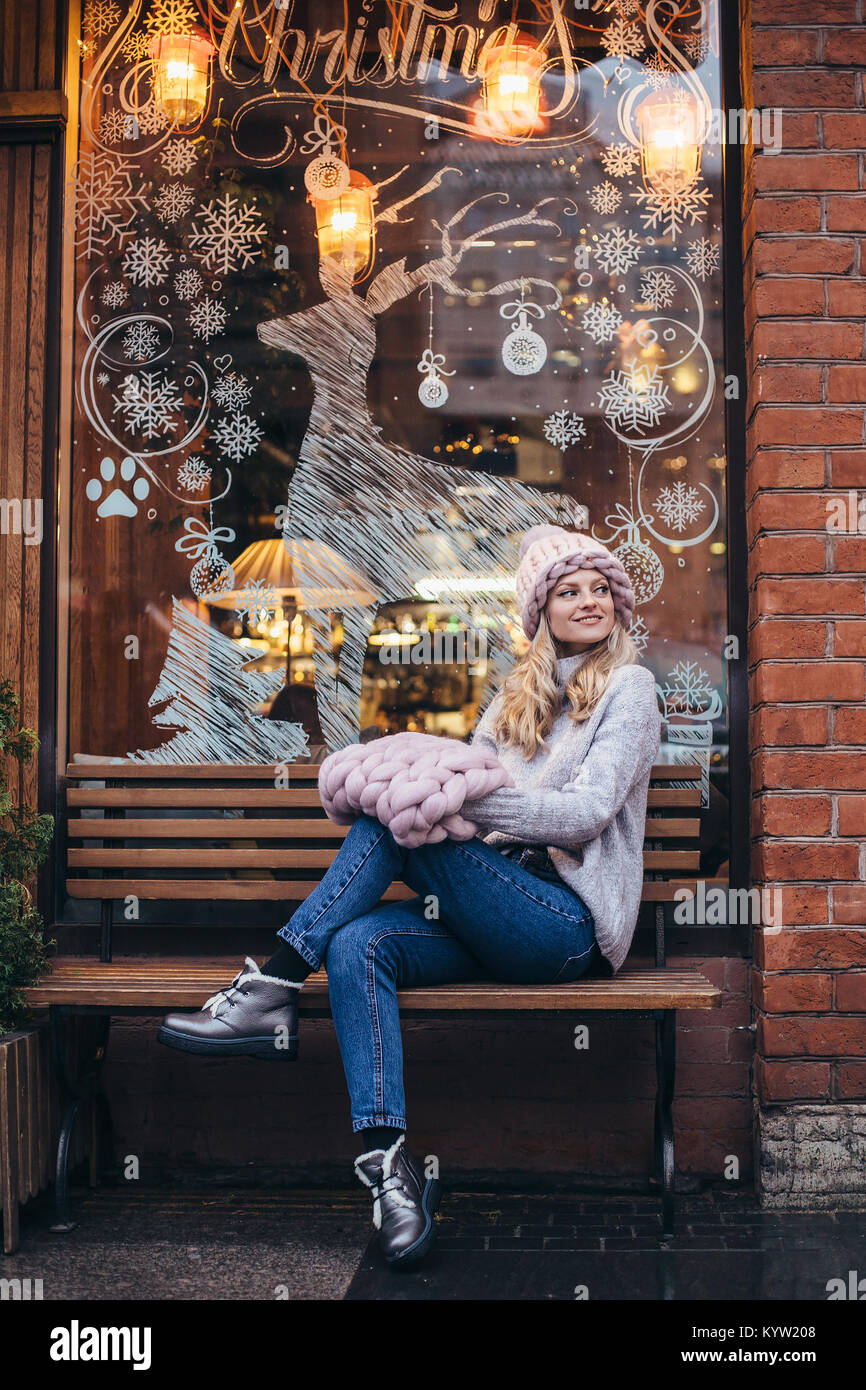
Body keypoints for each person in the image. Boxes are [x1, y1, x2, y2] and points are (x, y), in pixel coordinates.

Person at [157, 524, 661, 1269]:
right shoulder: (514, 702)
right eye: (567, 591)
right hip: (492, 910)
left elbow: (586, 813)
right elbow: (472, 796)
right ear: (540, 613)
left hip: (565, 926)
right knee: (359, 945)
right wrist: (445, 795)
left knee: (402, 819)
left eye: (598, 590)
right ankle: (389, 1173)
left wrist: (451, 800)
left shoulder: (630, 688)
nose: (588, 602)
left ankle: (270, 984)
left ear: (615, 606)